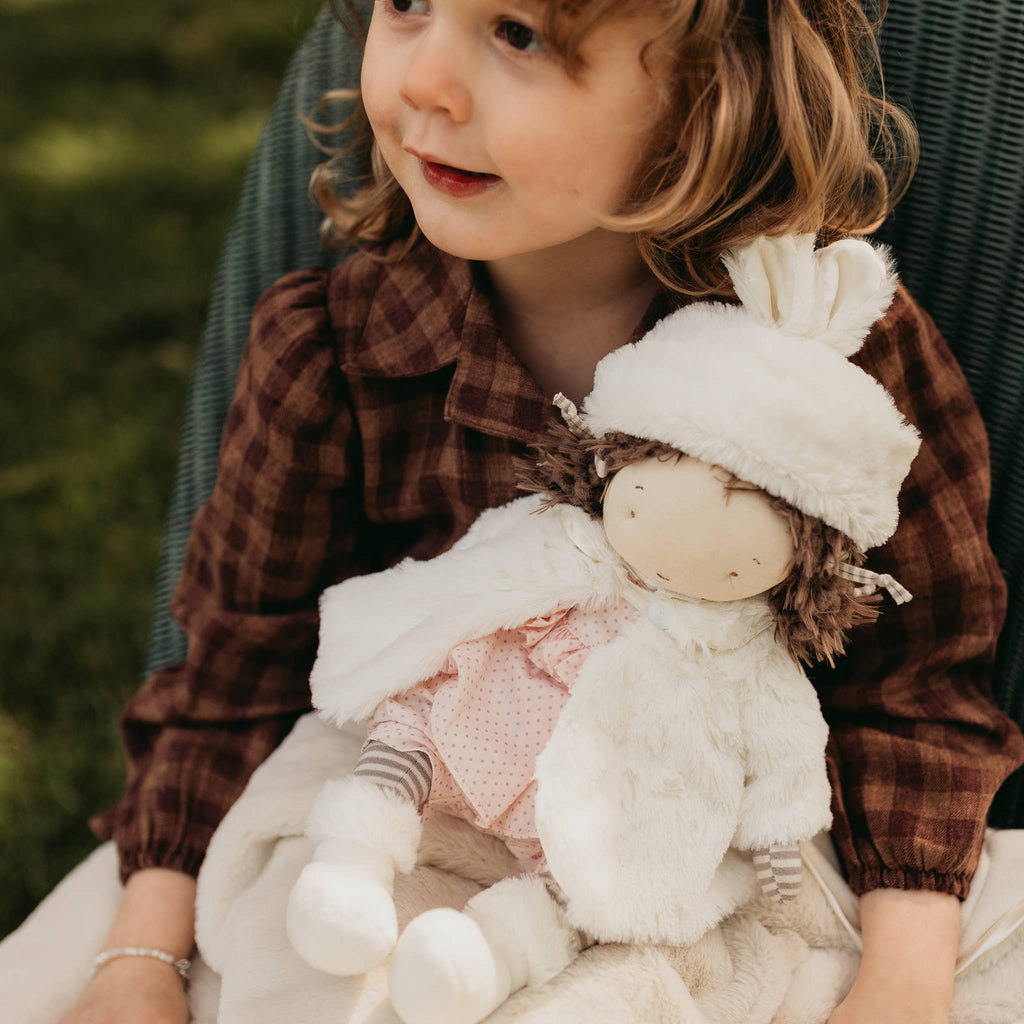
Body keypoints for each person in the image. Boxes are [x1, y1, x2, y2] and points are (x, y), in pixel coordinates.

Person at [58, 0, 1024, 1022]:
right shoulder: (334, 355)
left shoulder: (825, 366)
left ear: (714, 90)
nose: (424, 81)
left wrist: (903, 981)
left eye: (517, 33)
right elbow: (234, 680)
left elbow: (913, 688)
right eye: (407, 3)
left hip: (704, 842)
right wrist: (138, 959)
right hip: (410, 805)